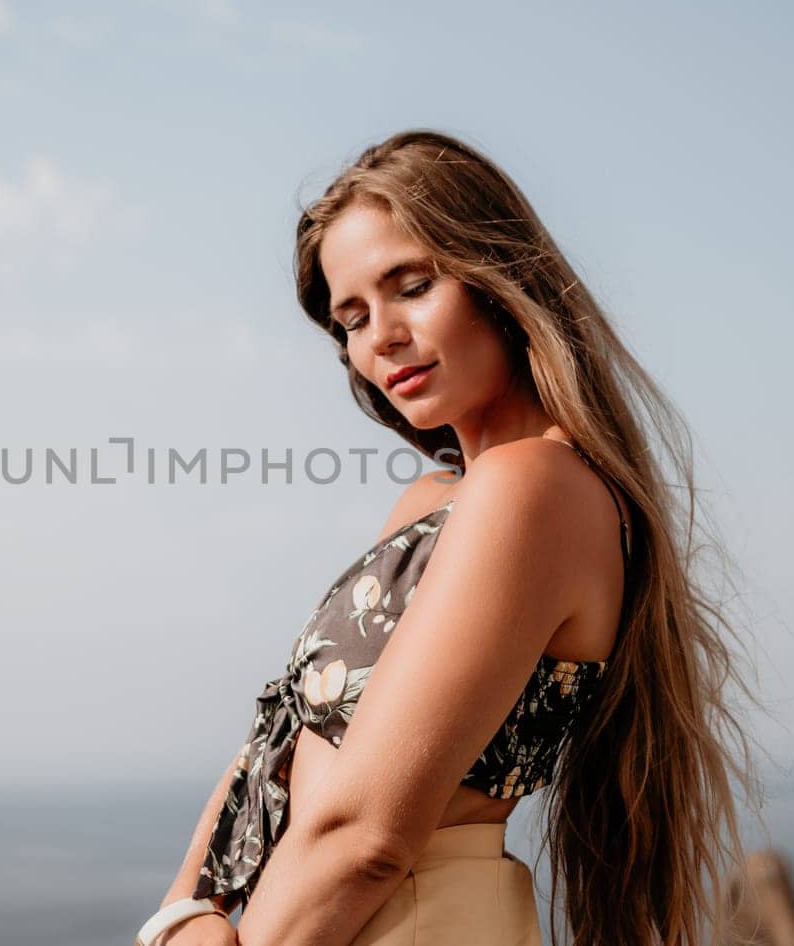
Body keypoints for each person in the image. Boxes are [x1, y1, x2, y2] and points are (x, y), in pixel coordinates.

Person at [137, 129, 762, 946]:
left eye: (413, 286)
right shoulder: (439, 502)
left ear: (501, 279)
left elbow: (366, 835)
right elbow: (277, 739)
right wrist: (184, 914)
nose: (382, 336)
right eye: (352, 318)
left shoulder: (531, 489)